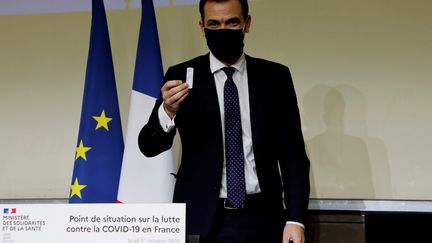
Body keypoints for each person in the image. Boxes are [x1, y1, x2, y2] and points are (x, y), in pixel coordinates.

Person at [138, 0, 310, 242]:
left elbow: (293, 156)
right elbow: (148, 146)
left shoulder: (275, 78)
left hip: (264, 217)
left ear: (246, 24)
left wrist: (295, 219)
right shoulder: (180, 76)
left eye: (232, 22)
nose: (222, 31)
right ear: (202, 26)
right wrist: (167, 111)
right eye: (213, 24)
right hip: (203, 220)